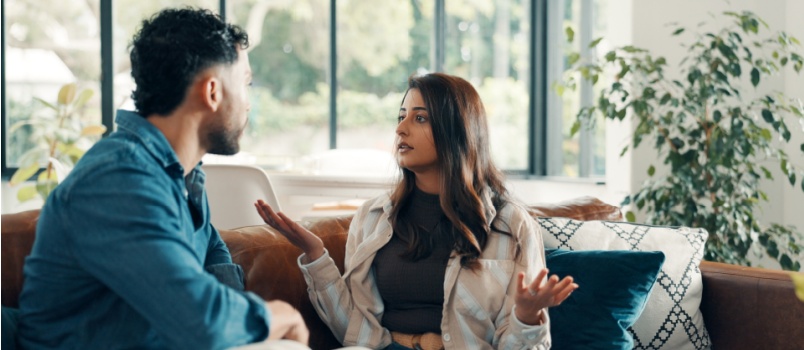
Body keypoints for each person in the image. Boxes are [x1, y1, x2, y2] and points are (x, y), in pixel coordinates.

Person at [17, 8, 308, 349]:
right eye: (245, 82)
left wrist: (237, 329)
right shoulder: (119, 179)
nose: (247, 103)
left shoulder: (178, 174)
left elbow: (211, 248)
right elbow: (199, 319)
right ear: (212, 92)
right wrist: (277, 315)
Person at [255, 73, 579, 350]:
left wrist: (526, 315)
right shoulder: (372, 217)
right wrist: (315, 253)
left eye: (419, 118)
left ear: (457, 130)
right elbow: (352, 331)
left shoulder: (511, 224)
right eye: (401, 116)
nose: (401, 129)